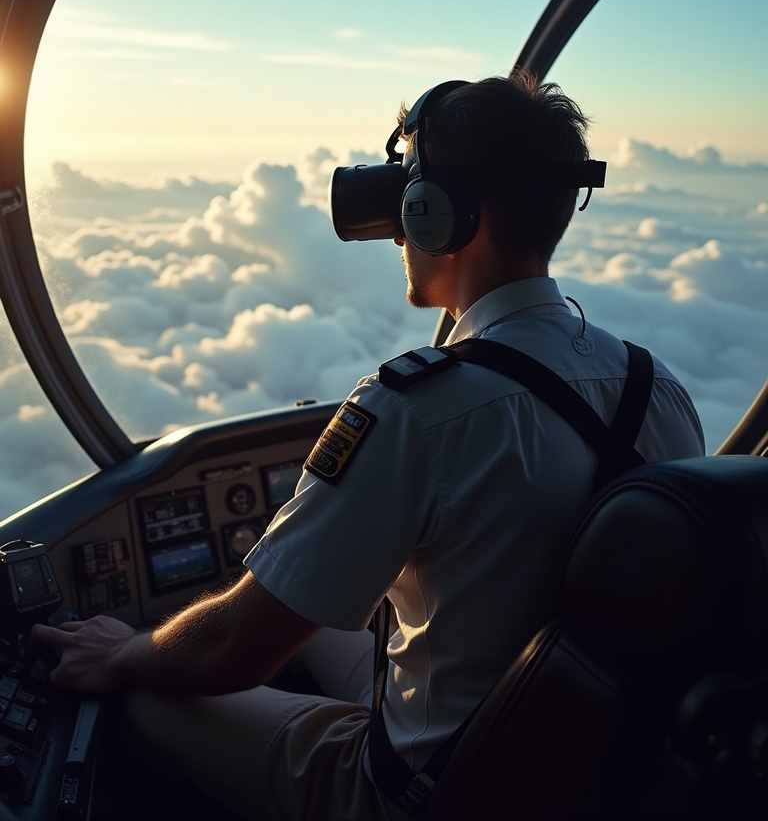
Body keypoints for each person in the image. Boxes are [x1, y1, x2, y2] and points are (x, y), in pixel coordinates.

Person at [30, 72, 705, 820]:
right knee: (313, 618)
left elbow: (236, 647)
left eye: (407, 196)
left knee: (144, 694)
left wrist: (122, 650)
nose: (395, 228)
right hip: (585, 772)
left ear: (439, 213)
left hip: (423, 795)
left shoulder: (417, 410)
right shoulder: (661, 389)